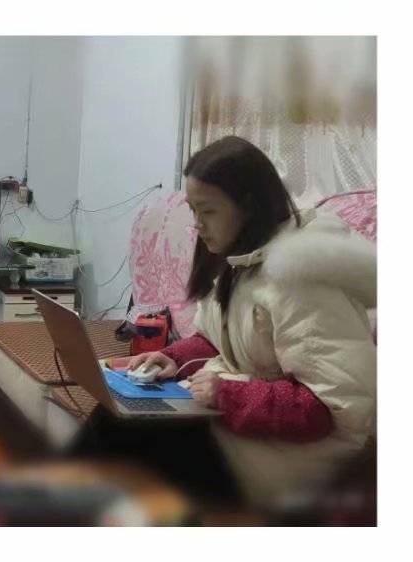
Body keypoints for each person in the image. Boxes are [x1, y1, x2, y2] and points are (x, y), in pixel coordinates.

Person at [125, 136, 376, 509]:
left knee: (147, 463)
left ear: (248, 206)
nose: (197, 224)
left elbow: (323, 412)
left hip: (318, 452)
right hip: (255, 418)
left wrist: (227, 395)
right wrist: (174, 358)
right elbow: (218, 339)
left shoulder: (303, 276)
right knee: (123, 432)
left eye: (207, 211)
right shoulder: (240, 259)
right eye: (193, 210)